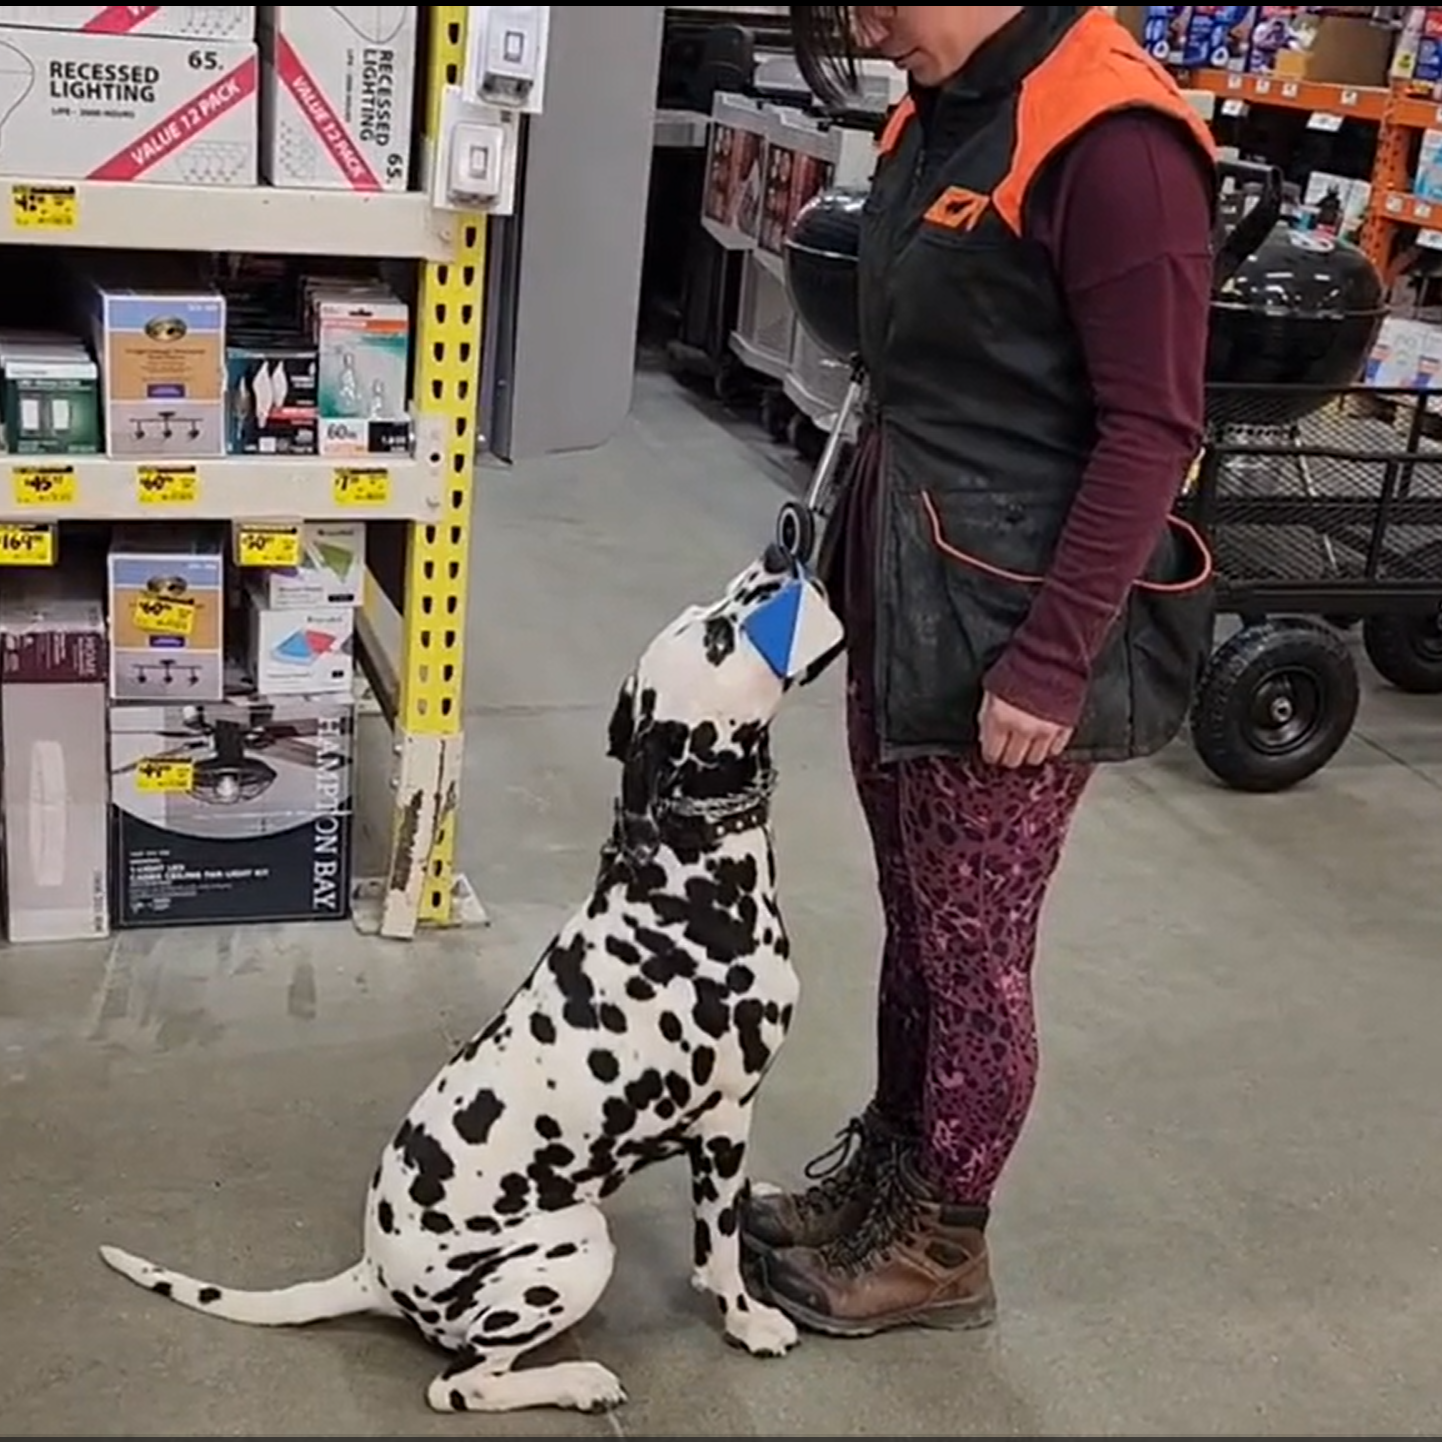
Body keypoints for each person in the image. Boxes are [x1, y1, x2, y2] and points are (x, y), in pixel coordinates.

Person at [741, 5, 1220, 1337]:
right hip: (899, 594)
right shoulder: (940, 108)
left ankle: (945, 1239)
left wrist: (1054, 661)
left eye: (871, 5)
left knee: (973, 952)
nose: (867, 31)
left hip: (1008, 630)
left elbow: (1151, 428)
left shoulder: (1112, 137)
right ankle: (887, 1185)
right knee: (916, 921)